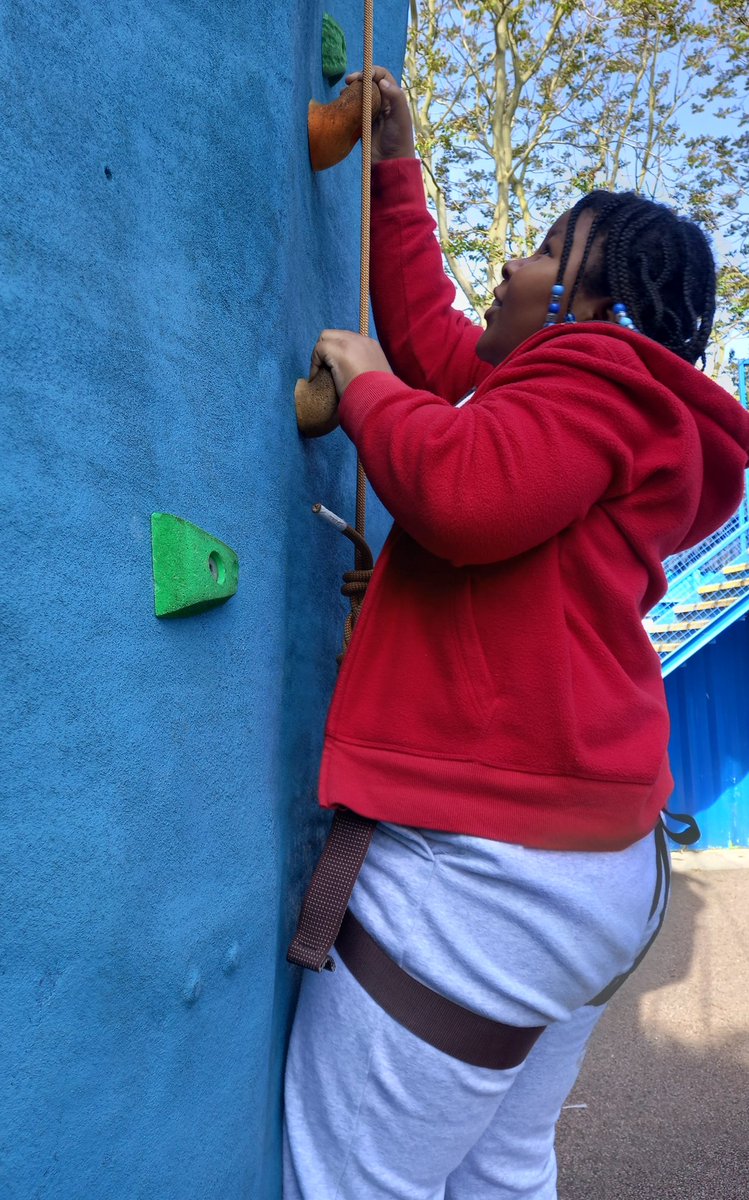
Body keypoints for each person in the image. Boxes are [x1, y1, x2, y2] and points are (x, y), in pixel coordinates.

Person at [283, 66, 749, 1200]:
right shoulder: (587, 402)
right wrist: (397, 172)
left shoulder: (599, 378)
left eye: (542, 248)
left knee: (354, 1181)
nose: (510, 265)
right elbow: (440, 345)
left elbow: (460, 490)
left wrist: (364, 386)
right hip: (587, 868)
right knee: (498, 1169)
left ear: (589, 305)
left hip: (498, 870)